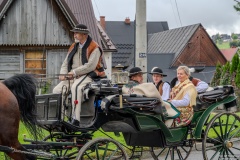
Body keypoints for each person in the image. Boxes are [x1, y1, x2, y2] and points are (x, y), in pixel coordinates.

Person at [53, 24, 105, 126]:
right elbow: (66, 62)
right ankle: (60, 118)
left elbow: (90, 66)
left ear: (84, 34)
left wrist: (73, 72)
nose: (74, 35)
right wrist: (63, 74)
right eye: (74, 33)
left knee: (76, 87)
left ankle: (75, 119)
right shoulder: (73, 46)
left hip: (90, 75)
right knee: (57, 90)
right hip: (74, 75)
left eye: (77, 33)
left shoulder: (95, 47)